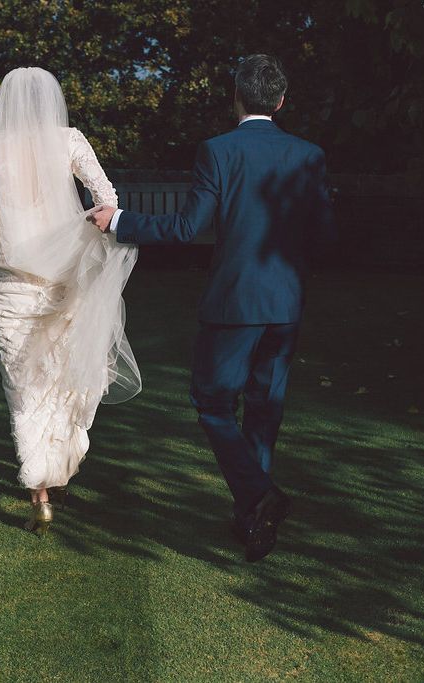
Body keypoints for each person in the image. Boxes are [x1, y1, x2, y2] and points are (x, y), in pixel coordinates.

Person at [88, 54, 337, 562]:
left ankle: (259, 497)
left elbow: (185, 228)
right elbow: (326, 236)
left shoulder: (218, 152)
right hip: (286, 303)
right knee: (265, 412)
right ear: (281, 101)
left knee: (212, 402)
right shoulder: (308, 155)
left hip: (235, 303)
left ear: (237, 97)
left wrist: (118, 222)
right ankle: (254, 521)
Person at [0, 67, 141, 536]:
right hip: (64, 280)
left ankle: (40, 494)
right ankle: (56, 471)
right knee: (63, 376)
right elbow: (108, 200)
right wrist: (76, 234)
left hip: (10, 286)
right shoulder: (69, 140)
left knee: (24, 386)